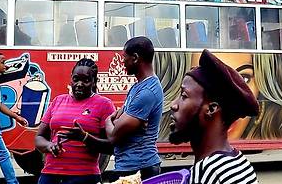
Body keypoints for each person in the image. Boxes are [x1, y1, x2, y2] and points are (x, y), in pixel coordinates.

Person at [169, 49, 259, 184]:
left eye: (184, 96)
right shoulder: (237, 160)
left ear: (211, 109)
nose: (173, 105)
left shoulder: (211, 171)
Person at [35, 59, 115, 184]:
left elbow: (112, 146)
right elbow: (39, 137)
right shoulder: (58, 101)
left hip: (84, 176)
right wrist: (49, 146)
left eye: (86, 80)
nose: (79, 84)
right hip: (50, 174)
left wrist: (85, 138)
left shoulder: (104, 104)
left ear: (94, 82)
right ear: (71, 79)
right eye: (76, 79)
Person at [106, 37, 164, 180]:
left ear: (135, 58)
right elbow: (120, 122)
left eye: (124, 58)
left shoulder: (147, 92)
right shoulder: (138, 87)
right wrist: (119, 120)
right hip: (129, 166)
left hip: (140, 168)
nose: (122, 62)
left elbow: (113, 135)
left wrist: (108, 120)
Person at [0, 53, 28, 184]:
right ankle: (12, 182)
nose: (6, 65)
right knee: (3, 155)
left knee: (2, 155)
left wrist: (16, 117)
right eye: (3, 62)